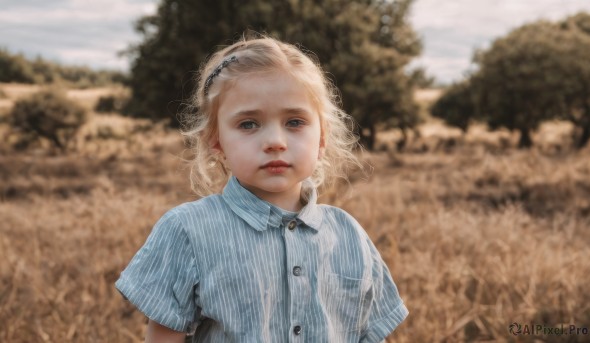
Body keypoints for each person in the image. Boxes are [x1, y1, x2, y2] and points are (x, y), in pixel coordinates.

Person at [115, 36, 408, 343]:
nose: (275, 141)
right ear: (216, 140)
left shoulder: (350, 236)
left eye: (294, 121)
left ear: (321, 139)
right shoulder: (187, 231)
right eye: (249, 124)